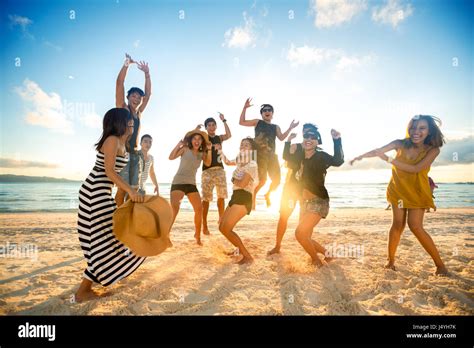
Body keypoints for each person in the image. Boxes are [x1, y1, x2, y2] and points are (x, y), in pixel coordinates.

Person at [350, 115, 448, 276]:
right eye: (413, 127)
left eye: (422, 128)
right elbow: (378, 151)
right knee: (397, 225)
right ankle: (390, 261)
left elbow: (416, 169)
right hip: (398, 190)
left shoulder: (433, 150)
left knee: (415, 226)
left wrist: (388, 159)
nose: (416, 131)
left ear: (429, 131)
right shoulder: (399, 143)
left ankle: (440, 266)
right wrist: (359, 157)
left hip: (417, 191)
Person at [75, 108, 145, 302]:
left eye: (132, 120)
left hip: (102, 192)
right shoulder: (112, 140)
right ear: (119, 122)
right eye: (128, 120)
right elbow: (109, 172)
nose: (131, 123)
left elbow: (116, 176)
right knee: (107, 239)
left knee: (108, 239)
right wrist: (130, 191)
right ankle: (83, 292)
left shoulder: (124, 142)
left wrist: (130, 191)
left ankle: (85, 289)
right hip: (93, 192)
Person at [268, 123, 320, 255]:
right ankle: (278, 246)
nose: (308, 135)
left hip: (307, 190)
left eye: (311, 133)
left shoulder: (316, 150)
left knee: (304, 222)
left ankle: (308, 245)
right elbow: (287, 159)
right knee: (284, 216)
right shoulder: (295, 146)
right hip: (291, 187)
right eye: (306, 132)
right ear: (303, 133)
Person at [294, 127, 344, 267]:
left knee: (299, 234)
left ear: (317, 142)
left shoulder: (321, 156)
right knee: (306, 237)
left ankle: (316, 261)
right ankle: (329, 254)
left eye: (312, 137)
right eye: (306, 136)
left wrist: (337, 140)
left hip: (319, 201)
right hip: (304, 203)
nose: (309, 139)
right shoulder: (300, 157)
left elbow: (338, 161)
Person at [239, 98, 299, 208]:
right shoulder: (258, 122)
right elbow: (241, 122)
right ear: (262, 114)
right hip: (259, 156)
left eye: (269, 110)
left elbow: (281, 138)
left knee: (277, 181)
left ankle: (268, 194)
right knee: (262, 180)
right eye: (264, 110)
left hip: (272, 157)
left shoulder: (275, 127)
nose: (267, 111)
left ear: (272, 114)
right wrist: (245, 108)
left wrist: (290, 127)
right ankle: (253, 197)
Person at [115, 53, 152, 207]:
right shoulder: (122, 108)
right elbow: (119, 83)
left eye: (139, 97)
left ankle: (128, 218)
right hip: (123, 153)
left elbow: (148, 94)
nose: (136, 99)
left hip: (135, 153)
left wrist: (147, 74)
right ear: (128, 97)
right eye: (134, 96)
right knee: (123, 190)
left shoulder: (138, 113)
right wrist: (126, 65)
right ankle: (117, 216)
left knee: (134, 189)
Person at [219, 137, 259, 265]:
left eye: (246, 145)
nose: (243, 147)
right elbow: (227, 162)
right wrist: (220, 151)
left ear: (252, 150)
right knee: (221, 227)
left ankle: (247, 256)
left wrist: (232, 179)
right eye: (242, 145)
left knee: (227, 229)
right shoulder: (240, 161)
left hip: (243, 197)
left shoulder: (252, 164)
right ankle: (237, 250)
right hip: (235, 196)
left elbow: (242, 184)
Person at [169, 130, 212, 245]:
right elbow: (171, 157)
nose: (197, 141)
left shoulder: (202, 154)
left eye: (199, 139)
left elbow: (208, 163)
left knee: (199, 209)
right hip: (178, 182)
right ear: (191, 140)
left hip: (191, 184)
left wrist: (209, 149)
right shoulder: (185, 149)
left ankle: (197, 236)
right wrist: (179, 145)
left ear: (202, 141)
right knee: (175, 208)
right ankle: (166, 234)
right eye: (194, 139)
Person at [200, 113, 232, 235]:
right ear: (206, 127)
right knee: (206, 199)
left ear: (216, 126)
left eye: (213, 125)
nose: (212, 127)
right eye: (209, 125)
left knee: (221, 196)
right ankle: (205, 226)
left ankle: (221, 220)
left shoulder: (219, 137)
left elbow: (229, 135)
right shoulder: (203, 138)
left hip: (219, 169)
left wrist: (224, 120)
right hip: (207, 170)